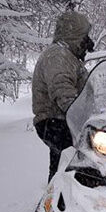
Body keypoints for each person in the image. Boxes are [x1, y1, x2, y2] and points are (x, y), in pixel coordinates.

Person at [32, 10, 94, 180]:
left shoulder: (68, 56)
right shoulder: (58, 55)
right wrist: (80, 113)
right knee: (80, 165)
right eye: (84, 37)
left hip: (61, 120)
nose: (87, 42)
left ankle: (55, 191)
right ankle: (66, 198)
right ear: (75, 35)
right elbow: (63, 91)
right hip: (55, 121)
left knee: (62, 165)